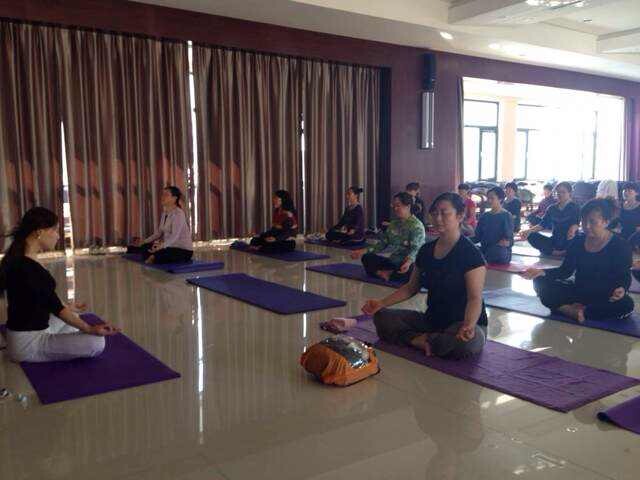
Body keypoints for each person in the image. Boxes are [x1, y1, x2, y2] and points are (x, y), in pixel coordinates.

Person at [362, 192, 487, 359]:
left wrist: (469, 325)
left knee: (468, 343)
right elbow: (411, 288)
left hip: (462, 323)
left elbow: (475, 298)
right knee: (382, 317)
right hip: (432, 320)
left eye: (444, 213)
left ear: (460, 215)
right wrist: (381, 303)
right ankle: (419, 341)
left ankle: (426, 340)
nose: (438, 218)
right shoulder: (426, 250)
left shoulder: (471, 254)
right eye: (435, 213)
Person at [0, 207, 118, 363]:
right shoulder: (28, 268)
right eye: (55, 230)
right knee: (97, 343)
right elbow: (56, 308)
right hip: (28, 344)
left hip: (23, 334)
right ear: (39, 231)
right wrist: (90, 329)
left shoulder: (20, 258)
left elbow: (43, 298)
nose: (58, 236)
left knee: (74, 316)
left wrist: (68, 307)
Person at [521, 198, 634, 323]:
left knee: (626, 304)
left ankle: (572, 309)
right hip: (579, 290)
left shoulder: (620, 245)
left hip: (604, 294)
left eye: (592, 222)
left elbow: (624, 276)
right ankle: (570, 311)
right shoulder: (578, 241)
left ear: (606, 222)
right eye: (584, 221)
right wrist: (542, 272)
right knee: (539, 280)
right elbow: (565, 271)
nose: (587, 226)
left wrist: (622, 289)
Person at [351, 192, 425, 283]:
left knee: (413, 271)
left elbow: (417, 249)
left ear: (408, 206)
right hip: (393, 261)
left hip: (408, 262)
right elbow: (382, 244)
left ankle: (385, 273)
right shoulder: (393, 224)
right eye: (394, 206)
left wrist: (408, 261)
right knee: (367, 258)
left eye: (398, 206)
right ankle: (386, 273)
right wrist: (362, 251)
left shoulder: (417, 226)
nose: (395, 208)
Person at [127, 186, 193, 264]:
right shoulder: (164, 213)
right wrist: (144, 242)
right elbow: (158, 233)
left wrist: (161, 246)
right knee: (144, 247)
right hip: (168, 246)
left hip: (182, 249)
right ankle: (154, 255)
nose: (162, 197)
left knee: (163, 253)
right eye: (163, 194)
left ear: (174, 198)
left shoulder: (178, 214)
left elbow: (174, 236)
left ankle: (154, 257)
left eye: (166, 195)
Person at [520, 182, 579, 256]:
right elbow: (542, 225)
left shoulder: (575, 207)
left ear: (569, 193)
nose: (560, 194)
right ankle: (556, 252)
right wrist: (528, 231)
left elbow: (576, 223)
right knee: (531, 235)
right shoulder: (552, 208)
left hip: (569, 240)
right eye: (558, 192)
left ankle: (553, 251)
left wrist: (572, 230)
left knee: (580, 240)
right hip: (555, 240)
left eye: (563, 192)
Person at [471, 187, 514, 264]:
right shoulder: (484, 216)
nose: (489, 201)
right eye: (488, 198)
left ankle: (482, 258)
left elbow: (510, 241)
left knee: (499, 252)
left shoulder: (506, 216)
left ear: (500, 199)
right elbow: (477, 237)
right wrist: (463, 240)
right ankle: (482, 257)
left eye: (492, 198)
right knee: (467, 249)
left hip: (499, 251)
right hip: (485, 249)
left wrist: (506, 242)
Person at [611, 182, 640, 249]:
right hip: (622, 232)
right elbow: (614, 220)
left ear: (637, 193)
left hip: (636, 233)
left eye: (629, 191)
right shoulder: (619, 206)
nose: (626, 193)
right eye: (624, 190)